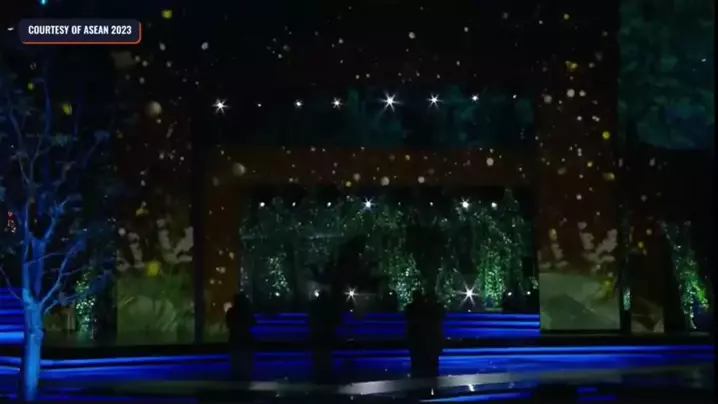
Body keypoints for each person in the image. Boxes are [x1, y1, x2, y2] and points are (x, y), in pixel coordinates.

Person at [309, 290, 341, 383]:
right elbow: (336, 319)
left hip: (317, 334)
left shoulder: (314, 305)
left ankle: (320, 376)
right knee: (326, 357)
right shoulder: (330, 306)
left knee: (319, 357)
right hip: (326, 334)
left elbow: (310, 320)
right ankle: (325, 375)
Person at [226, 292, 256, 381]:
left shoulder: (231, 312)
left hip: (235, 338)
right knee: (246, 360)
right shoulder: (246, 311)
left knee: (236, 360)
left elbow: (229, 324)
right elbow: (252, 323)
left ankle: (237, 377)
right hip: (245, 338)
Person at [422, 290, 445, 379]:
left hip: (431, 336)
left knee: (431, 360)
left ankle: (430, 377)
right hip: (433, 336)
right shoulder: (437, 307)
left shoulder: (425, 308)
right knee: (433, 360)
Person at [405, 290, 425, 378]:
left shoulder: (410, 308)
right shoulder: (425, 308)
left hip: (415, 336)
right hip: (422, 336)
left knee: (415, 359)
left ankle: (416, 375)